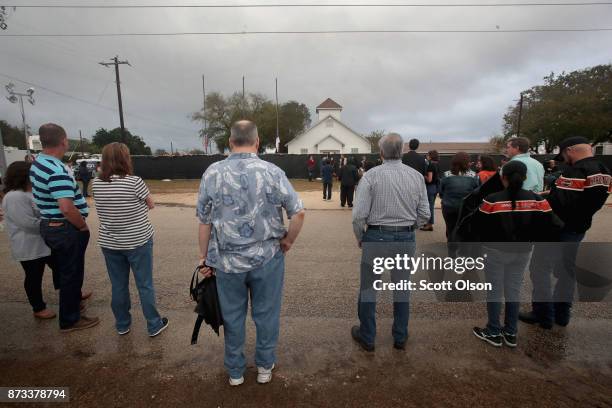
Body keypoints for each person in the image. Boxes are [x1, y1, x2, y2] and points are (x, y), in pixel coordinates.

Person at [196, 120, 305, 386]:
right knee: (266, 314)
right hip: (267, 258)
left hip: (226, 261)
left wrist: (204, 258)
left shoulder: (212, 173)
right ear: (257, 142)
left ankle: (235, 372)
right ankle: (265, 367)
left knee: (233, 316)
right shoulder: (273, 171)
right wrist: (288, 242)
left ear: (230, 142)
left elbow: (204, 220)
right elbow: (298, 213)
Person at [520, 136, 611, 328]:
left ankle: (543, 315)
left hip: (557, 230)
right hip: (579, 228)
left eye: (563, 154)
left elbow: (560, 203)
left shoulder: (576, 171)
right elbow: (583, 199)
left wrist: (538, 202)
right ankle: (562, 314)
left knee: (540, 269)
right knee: (566, 271)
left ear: (570, 150)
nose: (563, 158)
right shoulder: (603, 171)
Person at [351, 133, 430, 352]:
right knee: (402, 287)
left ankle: (367, 336)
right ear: (402, 150)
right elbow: (425, 214)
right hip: (405, 238)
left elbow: (358, 215)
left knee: (369, 288)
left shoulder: (370, 176)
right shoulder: (416, 176)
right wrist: (408, 227)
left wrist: (361, 236)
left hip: (376, 236)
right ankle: (400, 336)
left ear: (381, 152)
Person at [471, 161, 560, 348]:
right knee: (513, 290)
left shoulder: (492, 200)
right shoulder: (538, 201)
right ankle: (511, 332)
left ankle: (493, 331)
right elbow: (554, 225)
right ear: (525, 177)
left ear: (503, 178)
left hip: (494, 251)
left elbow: (476, 225)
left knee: (494, 291)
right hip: (523, 251)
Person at [92, 143, 168, 337]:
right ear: (125, 159)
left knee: (118, 285)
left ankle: (122, 324)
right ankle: (153, 324)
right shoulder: (134, 181)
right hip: (138, 240)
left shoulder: (96, 183)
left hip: (110, 242)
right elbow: (151, 204)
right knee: (144, 284)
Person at [29, 123, 99, 332]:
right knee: (71, 274)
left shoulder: (38, 163)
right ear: (63, 141)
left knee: (65, 271)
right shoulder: (56, 169)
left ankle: (73, 306)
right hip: (65, 227)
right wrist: (82, 226)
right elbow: (67, 208)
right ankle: (70, 319)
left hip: (50, 223)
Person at [2, 161, 58, 319]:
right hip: (28, 246)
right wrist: (51, 223)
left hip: (43, 243)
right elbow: (27, 223)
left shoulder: (29, 193)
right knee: (34, 276)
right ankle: (38, 307)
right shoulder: (14, 196)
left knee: (61, 268)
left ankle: (71, 294)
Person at [439, 152, 479, 257]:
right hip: (467, 209)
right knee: (466, 231)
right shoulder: (474, 176)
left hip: (449, 207)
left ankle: (451, 254)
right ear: (467, 162)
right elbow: (478, 192)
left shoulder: (446, 175)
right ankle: (465, 255)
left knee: (450, 228)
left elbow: (441, 192)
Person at [421, 150, 440, 231]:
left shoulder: (431, 165)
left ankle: (429, 225)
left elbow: (429, 179)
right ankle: (429, 223)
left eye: (428, 155)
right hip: (435, 187)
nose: (426, 156)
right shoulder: (437, 164)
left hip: (430, 187)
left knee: (430, 207)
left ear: (431, 156)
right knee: (430, 206)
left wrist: (423, 175)